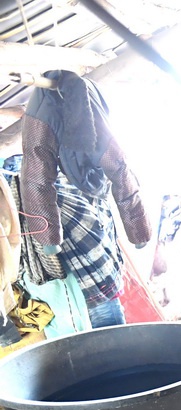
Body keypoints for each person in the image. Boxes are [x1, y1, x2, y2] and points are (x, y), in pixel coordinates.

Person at [18, 70, 151, 328]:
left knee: (106, 312)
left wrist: (139, 232)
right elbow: (37, 175)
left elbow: (120, 169)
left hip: (95, 244)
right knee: (104, 314)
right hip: (88, 271)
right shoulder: (41, 112)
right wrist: (47, 238)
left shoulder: (86, 98)